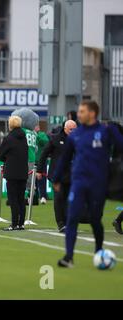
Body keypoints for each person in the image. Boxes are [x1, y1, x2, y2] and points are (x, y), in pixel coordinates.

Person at [53, 101, 123, 268]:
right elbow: (64, 159)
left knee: (95, 220)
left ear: (92, 113)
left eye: (82, 111)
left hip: (98, 184)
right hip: (78, 182)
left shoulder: (106, 131)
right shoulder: (75, 135)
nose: (79, 114)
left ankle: (99, 251)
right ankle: (68, 257)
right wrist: (56, 178)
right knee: (72, 218)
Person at [37, 120, 77, 232]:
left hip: (72, 175)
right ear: (65, 129)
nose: (73, 131)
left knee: (69, 200)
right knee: (59, 198)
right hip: (57, 176)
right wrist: (39, 170)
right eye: (71, 129)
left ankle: (68, 222)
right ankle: (61, 223)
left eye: (75, 129)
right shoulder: (55, 139)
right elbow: (44, 154)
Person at [0, 116, 28, 231]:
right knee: (21, 199)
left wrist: (7, 158)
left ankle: (14, 223)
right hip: (23, 172)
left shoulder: (9, 138)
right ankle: (21, 224)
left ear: (10, 124)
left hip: (12, 172)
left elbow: (0, 155)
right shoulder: (24, 137)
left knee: (13, 199)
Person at [34, 125, 50, 204]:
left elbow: (46, 142)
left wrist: (37, 136)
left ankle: (43, 196)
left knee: (42, 179)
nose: (37, 127)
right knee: (34, 181)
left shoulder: (42, 134)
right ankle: (34, 197)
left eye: (37, 125)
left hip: (42, 160)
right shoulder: (30, 135)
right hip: (33, 160)